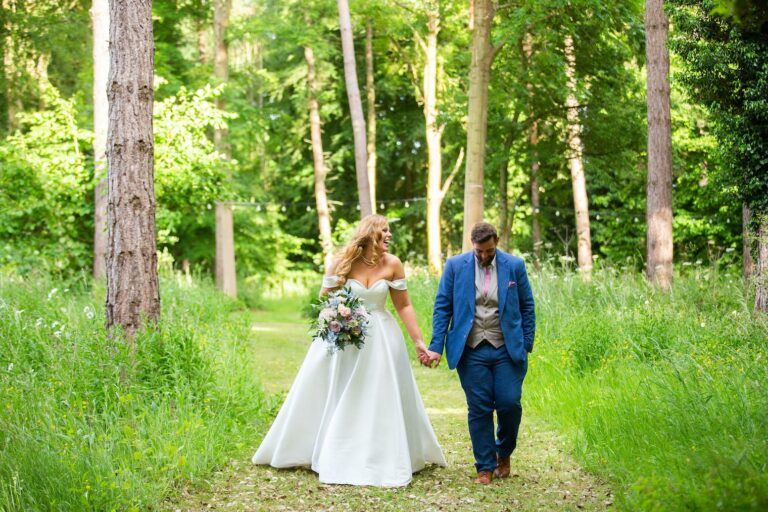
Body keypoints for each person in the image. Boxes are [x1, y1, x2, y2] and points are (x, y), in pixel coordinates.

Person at [252, 214, 446, 486]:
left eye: (389, 230)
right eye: (384, 230)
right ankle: (326, 447)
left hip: (382, 337)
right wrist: (341, 316)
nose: (389, 235)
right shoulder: (342, 261)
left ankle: (383, 451)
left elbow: (403, 305)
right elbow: (323, 300)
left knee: (379, 390)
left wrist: (418, 341)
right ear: (370, 233)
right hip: (345, 336)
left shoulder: (393, 264)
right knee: (338, 388)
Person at [423, 222, 536, 485]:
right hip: (471, 349)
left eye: (488, 251)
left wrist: (526, 343)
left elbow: (527, 306)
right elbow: (443, 307)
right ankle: (484, 466)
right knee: (479, 406)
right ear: (472, 245)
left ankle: (503, 452)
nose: (484, 256)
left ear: (496, 242)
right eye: (479, 251)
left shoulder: (515, 266)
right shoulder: (455, 266)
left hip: (507, 348)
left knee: (509, 403)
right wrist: (436, 346)